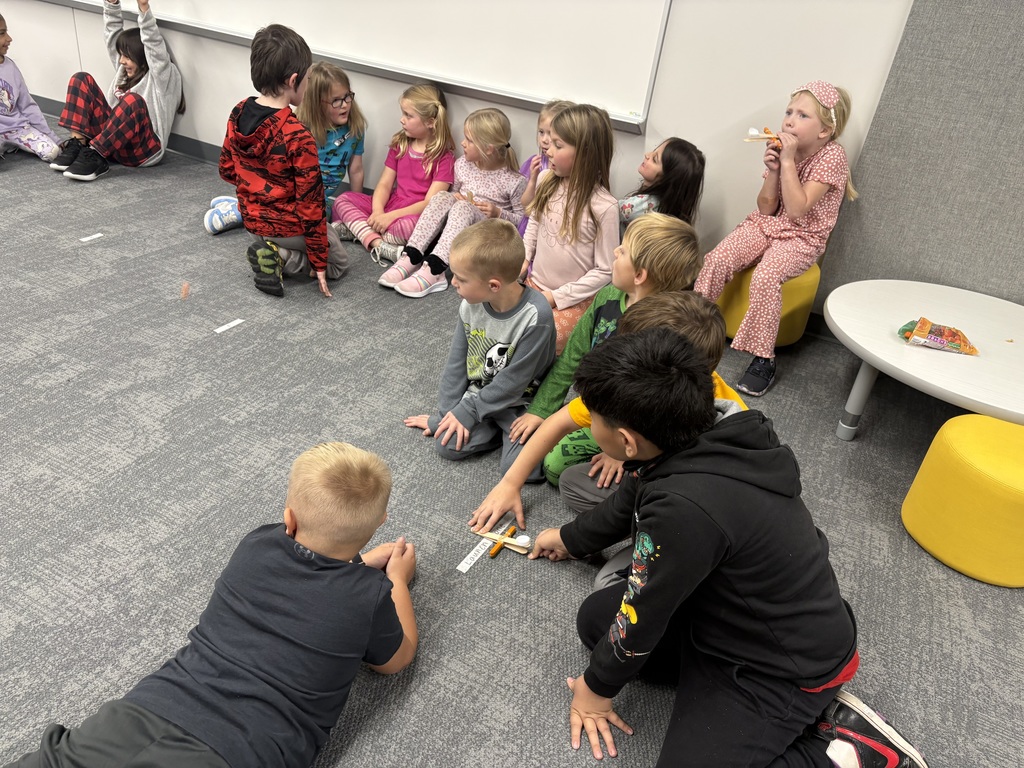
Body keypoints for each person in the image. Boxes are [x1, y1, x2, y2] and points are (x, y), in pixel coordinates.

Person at [528, 329, 928, 768]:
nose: (590, 424)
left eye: (594, 418)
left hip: (782, 665)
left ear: (626, 441)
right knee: (595, 621)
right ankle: (731, 711)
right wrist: (569, 539)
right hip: (724, 616)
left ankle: (849, 748)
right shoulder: (702, 433)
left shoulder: (684, 507)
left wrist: (595, 690)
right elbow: (629, 502)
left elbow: (643, 615)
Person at [4, 442, 418, 768]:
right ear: (379, 522)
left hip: (145, 711)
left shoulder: (257, 545)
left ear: (288, 519)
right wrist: (395, 581)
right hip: (240, 750)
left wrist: (356, 568)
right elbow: (394, 660)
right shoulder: (369, 596)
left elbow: (305, 582)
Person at [469, 290, 745, 534]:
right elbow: (559, 422)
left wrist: (629, 461)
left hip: (692, 489)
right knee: (561, 472)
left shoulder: (720, 423)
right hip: (644, 450)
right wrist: (510, 483)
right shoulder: (624, 388)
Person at [508, 213, 705, 487]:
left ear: (639, 275)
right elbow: (572, 358)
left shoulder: (667, 329)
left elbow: (657, 405)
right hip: (597, 406)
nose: (614, 251)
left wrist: (621, 453)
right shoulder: (607, 296)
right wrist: (541, 409)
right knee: (530, 448)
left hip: (635, 423)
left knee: (553, 466)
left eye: (622, 250)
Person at [695, 81, 857, 396]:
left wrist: (787, 162)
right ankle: (691, 328)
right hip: (769, 224)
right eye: (789, 112)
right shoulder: (784, 150)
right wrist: (773, 169)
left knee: (766, 277)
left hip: (803, 237)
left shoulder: (832, 156)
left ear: (825, 130)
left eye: (803, 115)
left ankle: (764, 359)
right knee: (717, 259)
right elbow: (766, 208)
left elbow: (797, 210)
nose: (790, 121)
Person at [404, 219, 555, 476]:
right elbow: (456, 364)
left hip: (522, 402)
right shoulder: (469, 304)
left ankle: (526, 428)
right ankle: (493, 427)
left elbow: (514, 382)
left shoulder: (536, 316)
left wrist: (469, 411)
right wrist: (447, 414)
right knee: (447, 442)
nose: (453, 283)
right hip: (481, 393)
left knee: (521, 470)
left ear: (493, 285)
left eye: (461, 278)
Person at [219, 25, 347, 298]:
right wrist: (319, 262)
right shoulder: (297, 135)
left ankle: (269, 249)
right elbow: (311, 206)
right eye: (308, 78)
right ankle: (282, 257)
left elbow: (227, 169)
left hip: (252, 222)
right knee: (338, 263)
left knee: (316, 239)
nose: (309, 84)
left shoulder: (238, 111)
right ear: (293, 81)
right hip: (287, 228)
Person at [204, 61, 367, 236]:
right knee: (285, 222)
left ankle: (247, 205)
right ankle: (239, 210)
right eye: (336, 101)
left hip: (319, 201)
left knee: (322, 221)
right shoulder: (299, 128)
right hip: (288, 197)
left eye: (347, 96)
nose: (345, 104)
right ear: (316, 104)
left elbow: (356, 170)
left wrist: (354, 204)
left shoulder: (355, 129)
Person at [379, 107, 526, 298]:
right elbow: (453, 194)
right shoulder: (462, 164)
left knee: (463, 208)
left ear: (488, 149)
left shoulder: (514, 181)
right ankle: (411, 256)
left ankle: (435, 269)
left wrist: (498, 213)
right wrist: (455, 196)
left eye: (469, 140)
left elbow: (522, 222)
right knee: (442, 196)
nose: (462, 143)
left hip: (487, 237)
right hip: (459, 228)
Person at [49, 0, 184, 182]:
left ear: (142, 56)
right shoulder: (124, 71)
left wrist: (144, 8)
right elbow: (112, 35)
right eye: (121, 55)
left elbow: (153, 45)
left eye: (127, 56)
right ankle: (78, 144)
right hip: (114, 143)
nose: (121, 61)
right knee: (80, 79)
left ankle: (96, 155)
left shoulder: (162, 77)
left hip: (143, 150)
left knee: (132, 100)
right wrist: (112, 4)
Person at [523, 103, 618, 353]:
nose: (548, 149)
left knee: (540, 338)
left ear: (585, 153)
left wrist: (556, 297)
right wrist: (523, 258)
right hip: (534, 284)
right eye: (549, 142)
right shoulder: (545, 179)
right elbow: (534, 223)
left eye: (558, 145)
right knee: (500, 317)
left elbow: (605, 270)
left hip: (572, 300)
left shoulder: (604, 206)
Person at [332, 84, 455, 266]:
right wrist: (378, 211)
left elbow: (429, 204)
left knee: (409, 228)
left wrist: (389, 217)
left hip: (413, 214)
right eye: (403, 113)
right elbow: (384, 184)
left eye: (408, 115)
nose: (401, 119)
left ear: (430, 121)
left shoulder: (444, 157)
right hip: (391, 204)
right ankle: (379, 243)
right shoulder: (400, 144)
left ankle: (359, 230)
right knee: (342, 200)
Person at [0, 13, 62, 163]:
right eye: (2, 33)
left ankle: (11, 144)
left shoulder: (11, 67)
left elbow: (27, 106)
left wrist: (53, 137)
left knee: (53, 152)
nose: (9, 38)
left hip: (17, 128)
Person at [617, 137, 705, 234]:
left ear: (668, 178)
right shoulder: (669, 209)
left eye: (654, 159)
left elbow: (608, 211)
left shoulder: (640, 205)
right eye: (654, 151)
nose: (647, 155)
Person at [517, 98, 574, 234]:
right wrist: (533, 180)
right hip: (528, 229)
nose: (544, 140)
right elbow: (525, 206)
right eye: (541, 132)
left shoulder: (566, 169)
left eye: (551, 135)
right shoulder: (534, 163)